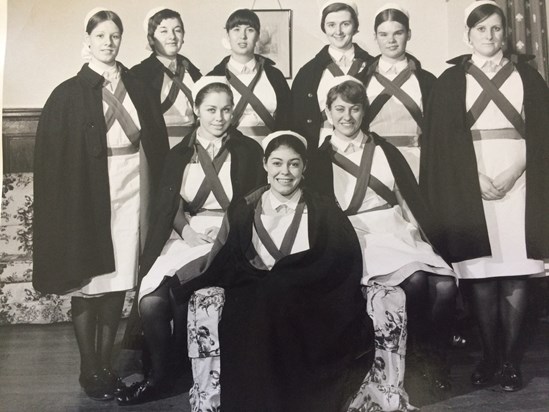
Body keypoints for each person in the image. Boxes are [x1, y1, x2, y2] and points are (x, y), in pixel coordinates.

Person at [172, 131, 374, 412]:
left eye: (293, 164)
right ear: (265, 165)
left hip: (310, 302)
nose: (285, 172)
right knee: (252, 317)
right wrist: (185, 278)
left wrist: (291, 277)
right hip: (255, 303)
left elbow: (341, 263)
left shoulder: (325, 210)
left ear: (304, 168)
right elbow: (224, 257)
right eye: (277, 163)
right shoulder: (242, 209)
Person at [32, 8, 169, 401]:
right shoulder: (68, 93)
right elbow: (53, 161)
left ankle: (106, 364)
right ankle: (88, 367)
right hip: (88, 197)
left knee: (118, 283)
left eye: (115, 36)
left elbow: (155, 143)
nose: (108, 43)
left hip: (131, 191)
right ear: (88, 40)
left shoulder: (139, 86)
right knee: (90, 284)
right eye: (101, 36)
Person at [420, 0, 549, 392]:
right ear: (468, 35)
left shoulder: (529, 78)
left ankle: (509, 361)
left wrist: (514, 171)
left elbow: (542, 135)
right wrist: (473, 176)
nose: (490, 37)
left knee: (514, 271)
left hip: (519, 179)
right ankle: (488, 356)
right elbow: (441, 141)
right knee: (480, 273)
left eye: (496, 29)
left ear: (505, 34)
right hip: (469, 183)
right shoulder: (449, 81)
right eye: (481, 30)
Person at [117, 77, 266, 405]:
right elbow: (171, 206)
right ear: (197, 110)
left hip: (231, 237)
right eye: (211, 109)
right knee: (151, 303)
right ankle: (159, 376)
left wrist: (228, 231)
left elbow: (256, 203)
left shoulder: (249, 151)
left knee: (185, 294)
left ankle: (182, 372)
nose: (219, 117)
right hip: (188, 233)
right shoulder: (178, 153)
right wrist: (188, 232)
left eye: (226, 110)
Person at [307, 77, 458, 392]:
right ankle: (416, 362)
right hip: (357, 236)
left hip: (395, 229)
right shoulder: (319, 158)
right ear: (327, 112)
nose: (347, 116)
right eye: (339, 109)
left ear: (365, 112)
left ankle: (435, 358)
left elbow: (408, 199)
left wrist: (429, 239)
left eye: (354, 108)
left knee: (445, 286)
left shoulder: (385, 149)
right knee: (415, 282)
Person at [364, 3, 436, 179]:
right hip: (374, 159)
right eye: (383, 34)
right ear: (375, 37)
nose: (391, 40)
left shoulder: (427, 81)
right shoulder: (361, 80)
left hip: (417, 161)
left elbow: (437, 130)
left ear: (408, 34)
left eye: (398, 33)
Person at [291, 0, 374, 150]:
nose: (338, 31)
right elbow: (296, 120)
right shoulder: (308, 72)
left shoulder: (372, 66)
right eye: (331, 25)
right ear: (324, 27)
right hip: (322, 148)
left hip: (365, 145)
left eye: (345, 24)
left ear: (355, 26)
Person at [207, 8, 291, 144]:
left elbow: (288, 119)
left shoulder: (275, 76)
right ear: (228, 36)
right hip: (228, 150)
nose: (243, 36)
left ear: (257, 36)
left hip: (271, 150)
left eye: (250, 29)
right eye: (236, 29)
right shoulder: (213, 77)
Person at [131, 8, 202, 149]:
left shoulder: (193, 72)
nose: (172, 37)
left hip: (192, 147)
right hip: (157, 149)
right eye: (164, 31)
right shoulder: (139, 75)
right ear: (151, 38)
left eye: (177, 30)